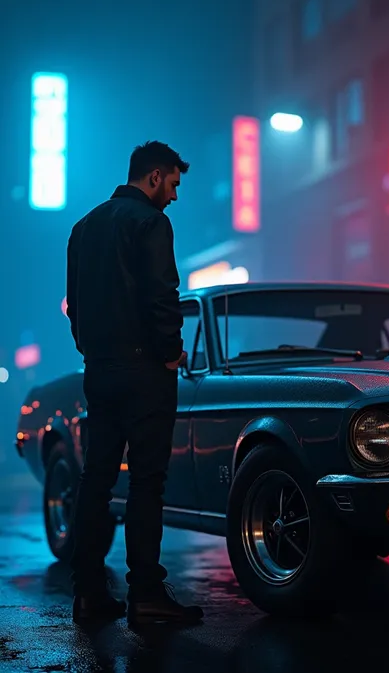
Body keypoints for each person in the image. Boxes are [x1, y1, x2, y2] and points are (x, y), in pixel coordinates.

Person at [66, 141, 204, 626]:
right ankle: (145, 594)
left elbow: (75, 308)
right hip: (146, 372)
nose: (174, 195)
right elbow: (162, 296)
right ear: (154, 176)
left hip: (100, 370)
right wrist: (170, 353)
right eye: (172, 183)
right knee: (147, 482)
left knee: (96, 480)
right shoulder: (151, 223)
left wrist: (93, 352)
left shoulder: (83, 228)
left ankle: (87, 594)